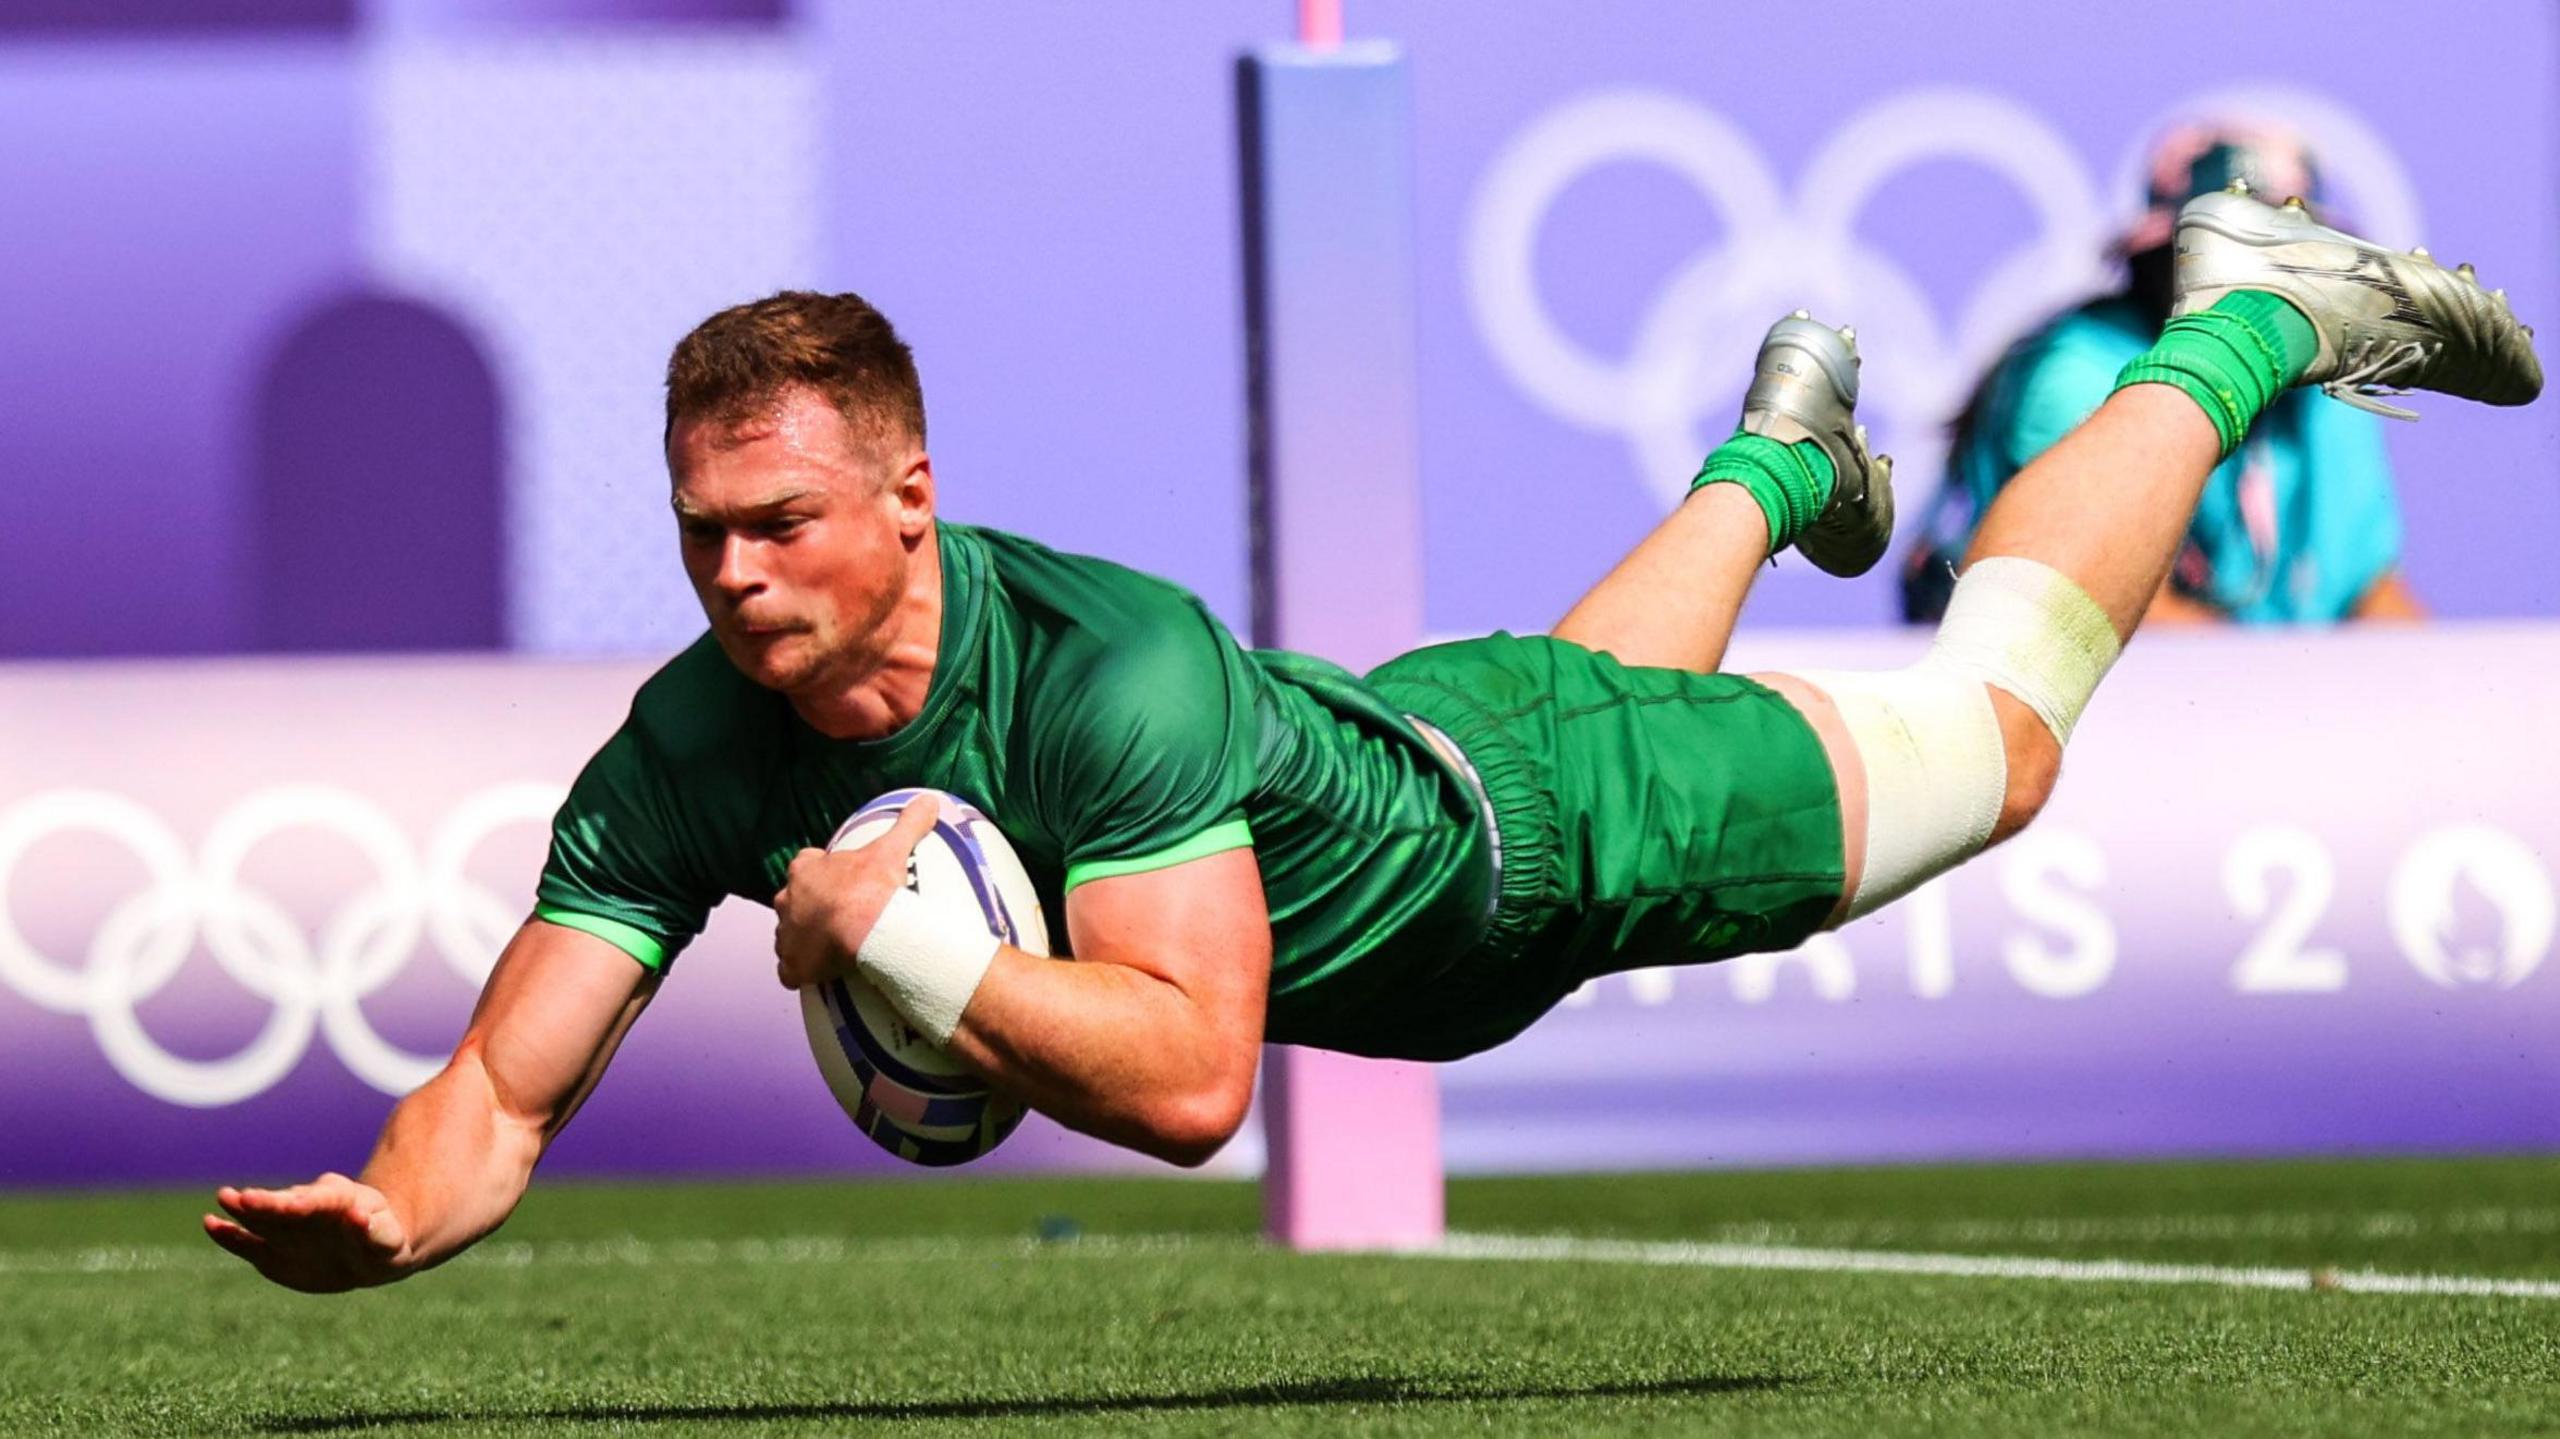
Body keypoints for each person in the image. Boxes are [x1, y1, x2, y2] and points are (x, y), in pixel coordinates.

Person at [205, 188, 2538, 1292]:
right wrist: (401, 1199)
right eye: (702, 531)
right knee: (1592, 672)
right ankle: (1773, 468)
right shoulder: (687, 741)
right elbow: (512, 1074)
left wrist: (895, 943)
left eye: (781, 523)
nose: (731, 576)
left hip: (1536, 835)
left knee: (1997, 738)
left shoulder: (1094, 663)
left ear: (909, 497)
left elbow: (1194, 1077)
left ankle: (2230, 328)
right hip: (1423, 747)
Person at [1905, 125, 2423, 624]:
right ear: (2161, 255)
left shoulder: (2327, 385)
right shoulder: (2080, 377)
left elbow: (2371, 590)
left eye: (2288, 251)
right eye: (2225, 247)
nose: (2260, 276)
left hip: (2249, 697)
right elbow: (2105, 611)